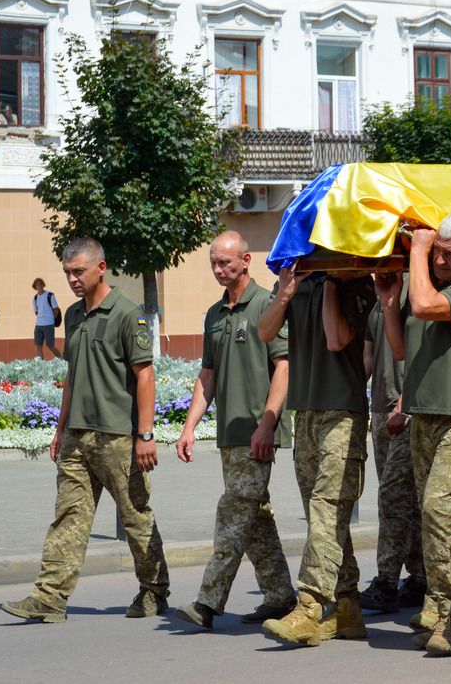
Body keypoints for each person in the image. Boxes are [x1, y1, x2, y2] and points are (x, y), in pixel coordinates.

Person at [1, 237, 169, 623]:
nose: (73, 279)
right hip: (78, 436)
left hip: (119, 437)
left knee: (136, 517)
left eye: (78, 271)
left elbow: (145, 376)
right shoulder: (74, 316)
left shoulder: (129, 315)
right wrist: (61, 429)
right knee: (69, 517)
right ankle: (49, 597)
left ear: (101, 267)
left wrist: (146, 435)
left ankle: (154, 591)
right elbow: (72, 375)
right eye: (67, 273)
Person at [377, 212, 451, 655]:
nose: (441, 261)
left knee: (438, 511)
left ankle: (449, 610)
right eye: (439, 252)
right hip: (425, 419)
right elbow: (401, 349)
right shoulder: (424, 287)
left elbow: (427, 307)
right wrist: (391, 306)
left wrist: (420, 249)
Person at [172, 231, 295, 631]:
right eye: (213, 263)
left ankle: (208, 602)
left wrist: (268, 424)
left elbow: (283, 366)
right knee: (254, 517)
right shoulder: (215, 314)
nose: (218, 269)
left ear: (246, 260)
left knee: (232, 513)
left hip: (257, 433)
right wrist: (190, 427)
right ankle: (279, 598)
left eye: (225, 262)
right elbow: (207, 375)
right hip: (229, 433)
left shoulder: (265, 304)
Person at [257, 264, 375, 647]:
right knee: (321, 514)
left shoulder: (357, 282)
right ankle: (348, 608)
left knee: (328, 507)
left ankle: (309, 606)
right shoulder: (295, 283)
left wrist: (331, 285)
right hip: (305, 409)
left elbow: (337, 339)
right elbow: (265, 332)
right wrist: (286, 292)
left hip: (342, 410)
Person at [359, 283, 427, 614]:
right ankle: (420, 576)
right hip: (380, 409)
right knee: (404, 501)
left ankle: (387, 581)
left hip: (406, 408)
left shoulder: (414, 290)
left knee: (393, 495)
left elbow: (421, 351)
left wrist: (405, 401)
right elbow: (368, 356)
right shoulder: (378, 294)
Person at [32, 278, 61, 360]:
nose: (39, 286)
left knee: (50, 346)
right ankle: (41, 365)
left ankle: (61, 359)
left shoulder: (50, 295)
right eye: (37, 284)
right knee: (38, 346)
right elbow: (36, 311)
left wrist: (52, 319)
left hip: (49, 324)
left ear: (43, 285)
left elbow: (56, 309)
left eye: (40, 284)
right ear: (35, 286)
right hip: (38, 325)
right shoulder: (35, 298)